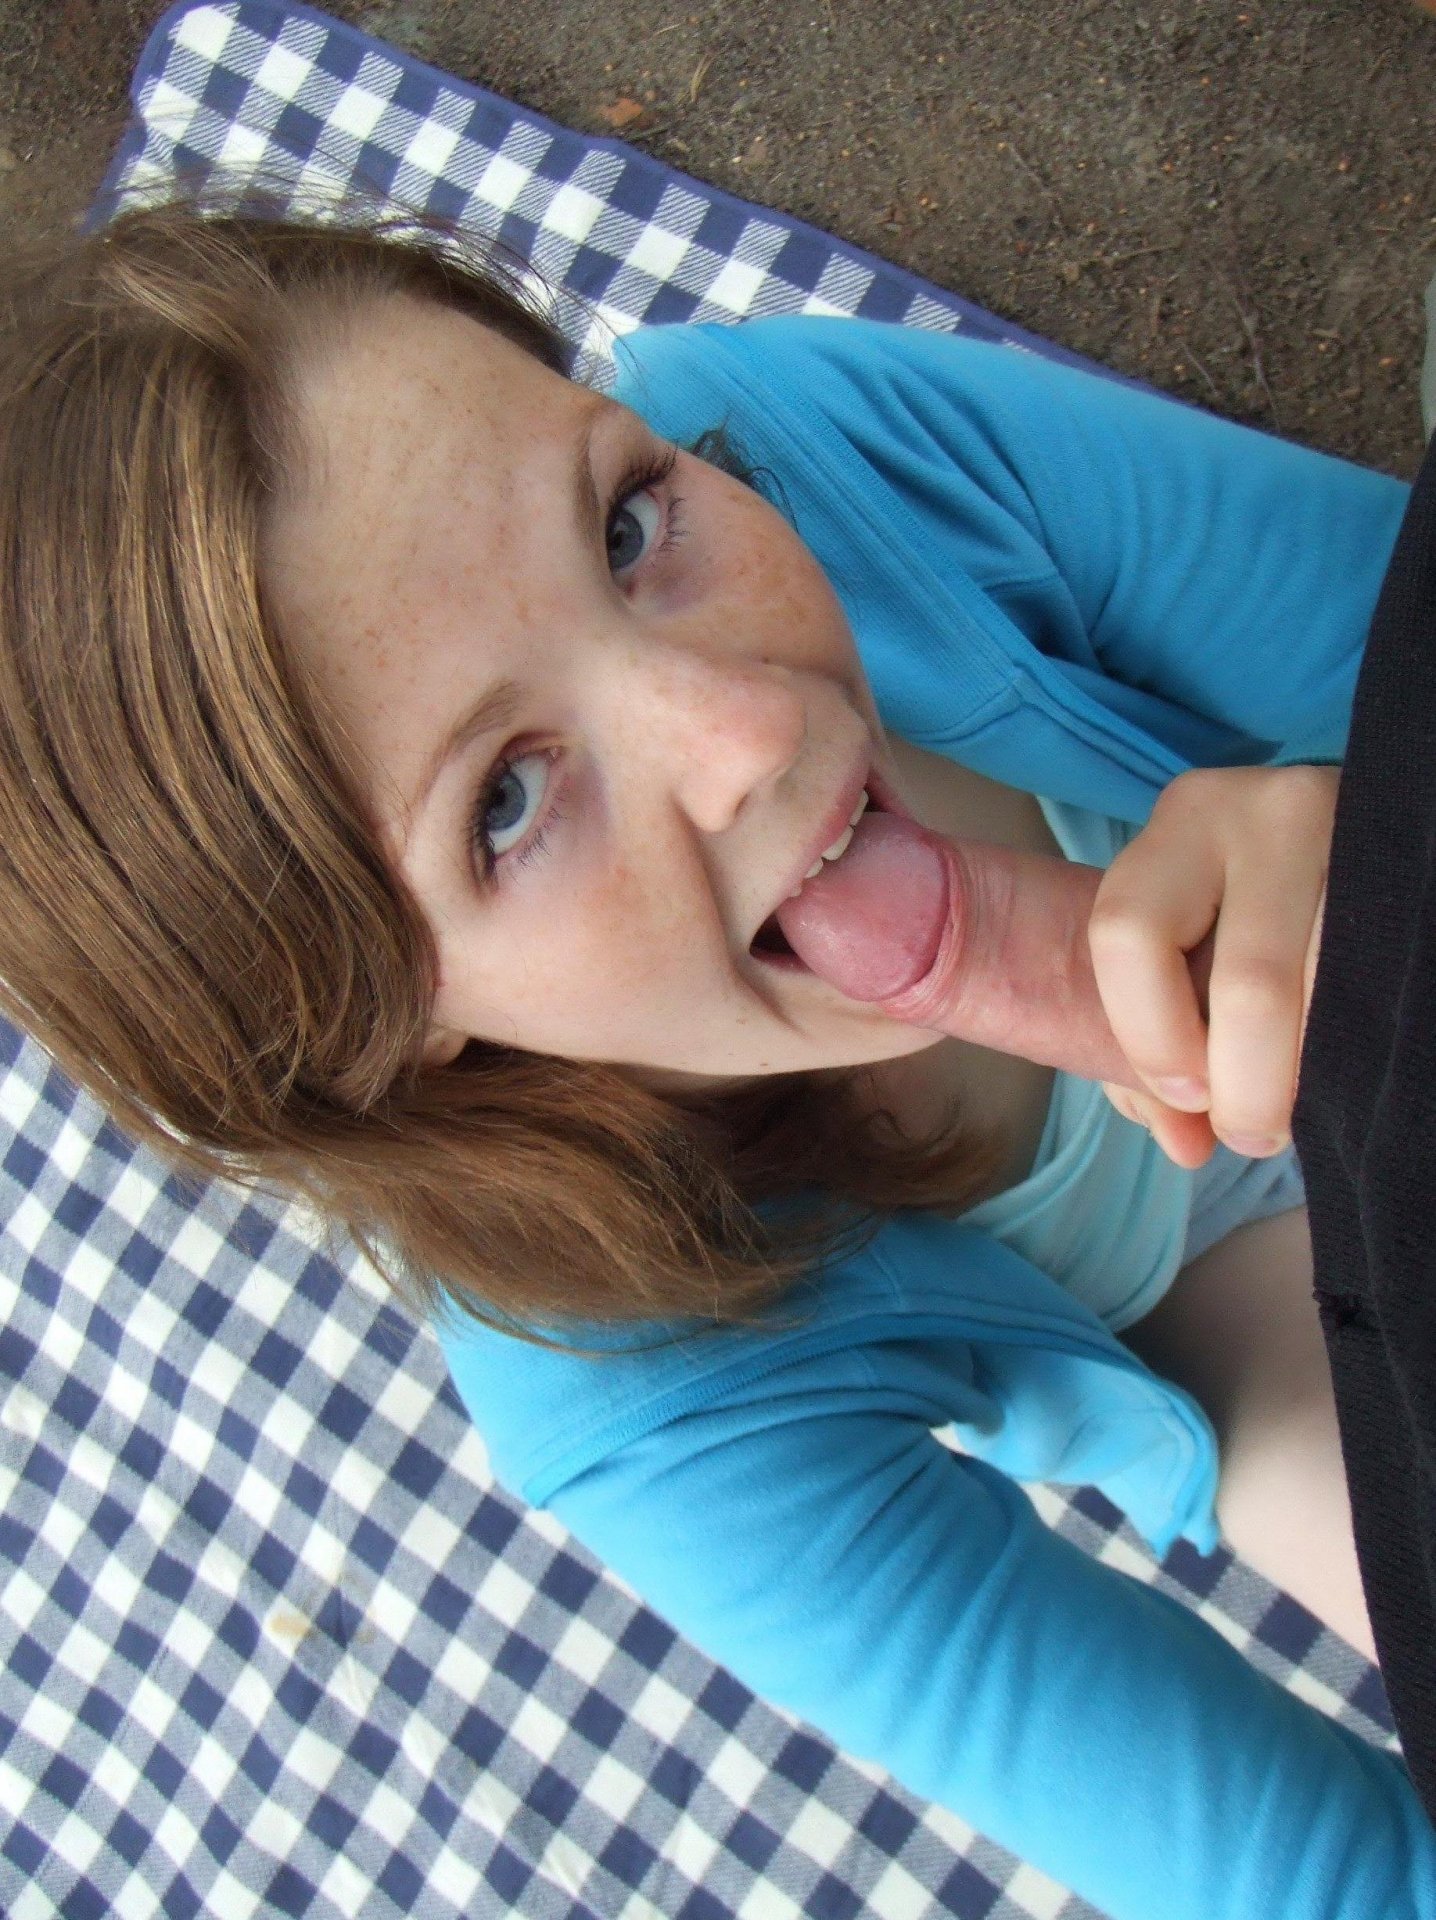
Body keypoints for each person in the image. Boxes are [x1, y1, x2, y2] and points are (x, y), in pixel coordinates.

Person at [0, 196, 1428, 1920]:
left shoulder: (830, 450)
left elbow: (1386, 610)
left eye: (623, 523)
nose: (749, 734)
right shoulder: (637, 1378)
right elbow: (1323, 1879)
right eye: (505, 802)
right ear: (382, 1025)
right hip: (1254, 1322)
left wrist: (1382, 853)